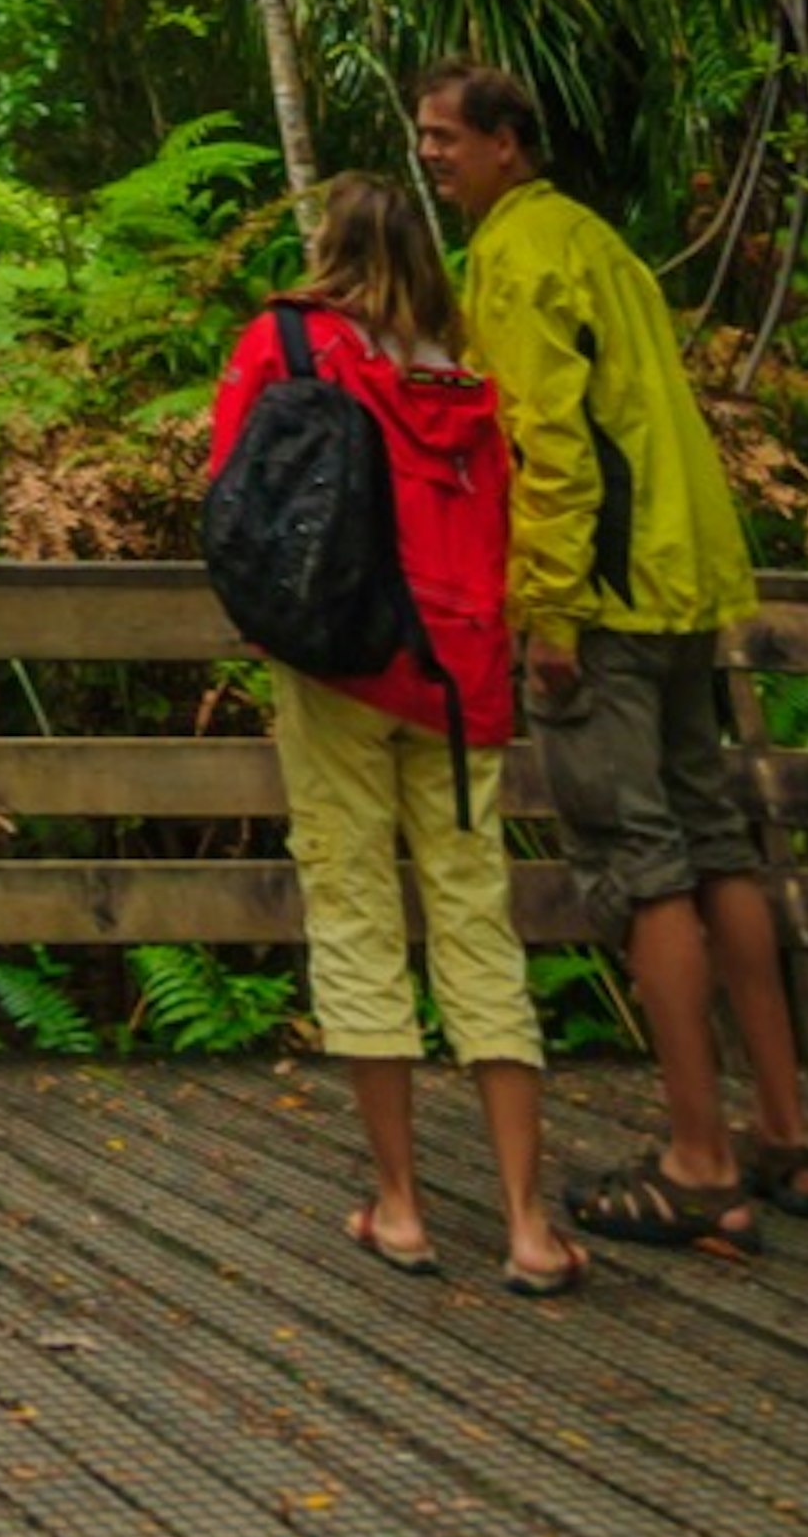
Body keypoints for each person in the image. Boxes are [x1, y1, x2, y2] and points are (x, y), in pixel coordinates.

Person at [412, 51, 808, 1253]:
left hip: (597, 600)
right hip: (681, 581)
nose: (433, 154)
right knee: (716, 843)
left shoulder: (513, 254)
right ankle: (783, 1134)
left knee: (640, 861)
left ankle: (699, 1161)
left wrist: (546, 606)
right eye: (425, 137)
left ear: (510, 142)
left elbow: (545, 436)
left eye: (448, 135)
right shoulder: (602, 242)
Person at [208, 169, 586, 1296]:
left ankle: (405, 1207)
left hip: (341, 666)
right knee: (479, 924)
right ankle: (526, 1223)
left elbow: (233, 495)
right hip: (461, 674)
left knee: (357, 916)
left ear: (329, 244)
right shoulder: (471, 372)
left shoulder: (287, 343)